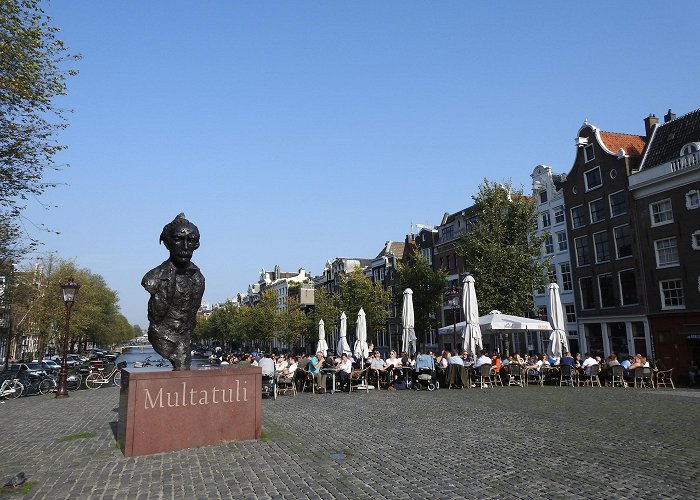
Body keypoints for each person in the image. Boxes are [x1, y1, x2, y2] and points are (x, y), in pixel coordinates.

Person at [142, 213, 205, 370]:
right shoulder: (153, 278)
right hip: (163, 337)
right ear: (167, 242)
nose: (185, 246)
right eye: (178, 239)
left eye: (190, 240)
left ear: (196, 244)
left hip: (184, 339)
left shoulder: (198, 278)